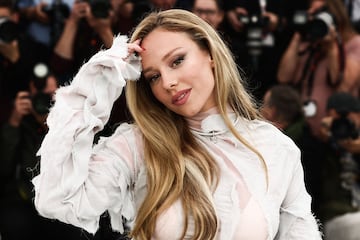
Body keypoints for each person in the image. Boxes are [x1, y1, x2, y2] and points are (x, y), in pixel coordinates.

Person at [32, 9, 322, 239]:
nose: (168, 83)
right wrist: (97, 79)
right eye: (153, 77)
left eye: (177, 61)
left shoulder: (275, 148)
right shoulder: (138, 144)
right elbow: (56, 200)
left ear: (209, 53)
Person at [277, 0, 360, 139]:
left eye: (321, 12)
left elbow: (343, 86)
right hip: (305, 132)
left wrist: (332, 47)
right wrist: (299, 35)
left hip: (336, 133)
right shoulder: (311, 43)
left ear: (336, 14)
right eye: (313, 12)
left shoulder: (354, 44)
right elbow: (283, 77)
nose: (317, 18)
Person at [261, 84, 324, 215]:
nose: (260, 109)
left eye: (264, 104)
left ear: (271, 111)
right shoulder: (308, 136)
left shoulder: (279, 144)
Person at [317, 92, 360, 240]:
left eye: (347, 116)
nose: (343, 124)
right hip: (338, 214)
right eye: (337, 119)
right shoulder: (321, 144)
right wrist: (322, 140)